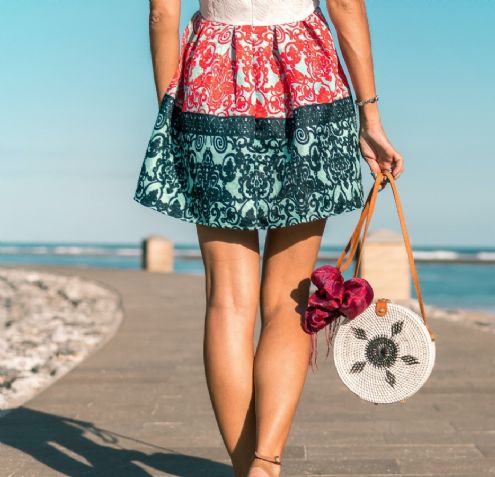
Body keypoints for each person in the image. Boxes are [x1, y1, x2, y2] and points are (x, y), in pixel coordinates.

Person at [133, 1, 403, 475]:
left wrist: (168, 107)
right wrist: (371, 117)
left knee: (228, 301)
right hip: (307, 77)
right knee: (289, 298)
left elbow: (162, 15)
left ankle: (246, 469)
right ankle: (267, 460)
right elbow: (343, 4)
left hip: (209, 79)